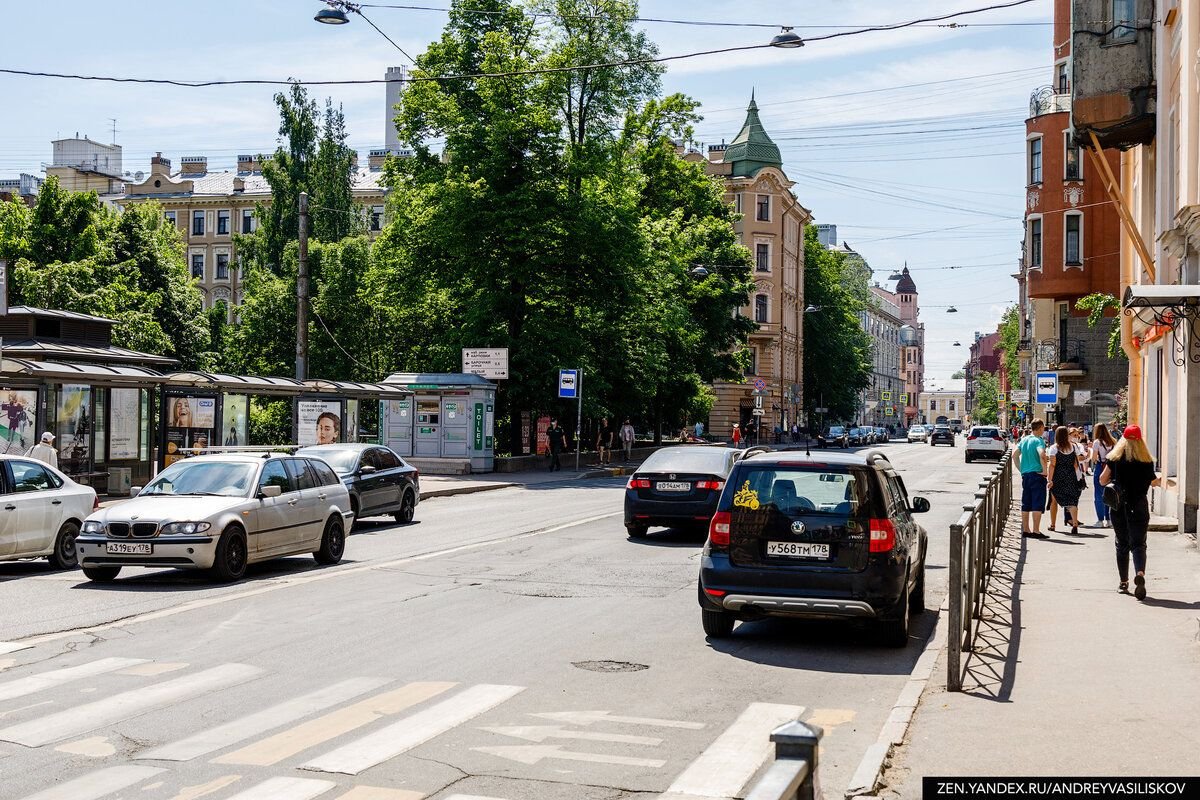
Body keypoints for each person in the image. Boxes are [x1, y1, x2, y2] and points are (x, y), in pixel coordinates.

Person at [1100, 425, 1160, 599]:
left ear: (1123, 440)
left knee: (1122, 544)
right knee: (1139, 544)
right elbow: (1154, 483)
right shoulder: (1147, 461)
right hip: (1140, 506)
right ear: (1140, 440)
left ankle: (1123, 582)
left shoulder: (1115, 459)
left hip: (1119, 507)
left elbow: (1102, 480)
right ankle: (1140, 574)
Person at [1013, 419, 1049, 538]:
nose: (1044, 431)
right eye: (1043, 428)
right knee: (1037, 503)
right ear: (1039, 428)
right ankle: (1036, 531)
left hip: (1026, 475)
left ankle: (1026, 530)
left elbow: (1015, 455)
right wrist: (1045, 471)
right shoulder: (1039, 441)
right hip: (1037, 475)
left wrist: (1021, 470)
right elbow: (1042, 454)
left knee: (1026, 503)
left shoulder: (1024, 439)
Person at [1047, 425, 1084, 536]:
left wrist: (1050, 480)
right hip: (1071, 476)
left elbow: (1052, 465)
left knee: (1054, 501)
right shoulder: (1073, 447)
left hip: (1058, 477)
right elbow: (1076, 463)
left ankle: (1053, 525)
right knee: (1071, 500)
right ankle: (1075, 524)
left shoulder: (1054, 448)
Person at [1089, 423, 1116, 528]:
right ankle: (1109, 519)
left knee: (1099, 494)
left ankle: (1100, 520)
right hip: (1111, 468)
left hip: (1100, 467)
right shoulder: (1113, 441)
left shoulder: (1097, 442)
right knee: (1110, 493)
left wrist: (1091, 453)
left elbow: (1094, 458)